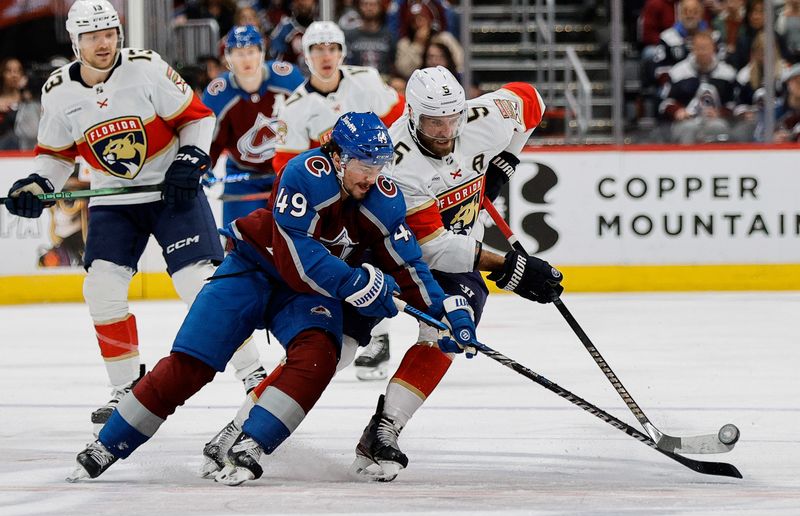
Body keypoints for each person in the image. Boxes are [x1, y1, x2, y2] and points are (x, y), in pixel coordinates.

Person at [66, 111, 479, 486]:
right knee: (190, 364)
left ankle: (251, 444)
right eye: (364, 165)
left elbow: (407, 265)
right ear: (337, 157)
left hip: (303, 296)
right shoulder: (303, 173)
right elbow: (298, 258)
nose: (372, 176)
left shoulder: (381, 198)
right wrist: (355, 281)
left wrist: (444, 311)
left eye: (378, 166)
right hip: (253, 271)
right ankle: (107, 445)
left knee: (319, 357)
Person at [2, 0, 266, 433]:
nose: (103, 43)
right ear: (75, 42)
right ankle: (125, 388)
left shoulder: (145, 68)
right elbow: (55, 157)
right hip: (113, 198)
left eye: (109, 33)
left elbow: (197, 118)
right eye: (92, 36)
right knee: (101, 287)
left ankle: (254, 374)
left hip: (170, 191)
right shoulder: (57, 90)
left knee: (198, 283)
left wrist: (191, 159)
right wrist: (36, 185)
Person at [348, 66, 564, 482]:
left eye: (453, 117)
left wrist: (506, 161)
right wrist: (512, 267)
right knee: (335, 347)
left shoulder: (483, 117)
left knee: (450, 327)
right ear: (412, 114)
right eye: (433, 121)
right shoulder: (398, 162)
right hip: (383, 254)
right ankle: (254, 427)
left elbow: (529, 100)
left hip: (447, 252)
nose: (446, 130)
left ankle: (384, 430)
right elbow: (433, 248)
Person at [273, 20, 406, 380]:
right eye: (317, 49)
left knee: (379, 254)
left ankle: (379, 336)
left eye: (332, 48)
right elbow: (288, 166)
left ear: (343, 52)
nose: (325, 55)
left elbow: (401, 118)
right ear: (306, 56)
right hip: (330, 200)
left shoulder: (365, 80)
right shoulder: (294, 107)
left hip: (374, 186)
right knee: (339, 265)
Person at [202, 25, 304, 225]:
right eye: (239, 53)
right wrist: (202, 166)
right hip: (243, 176)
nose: (246, 59)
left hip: (288, 173)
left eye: (251, 52)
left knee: (295, 238)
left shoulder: (287, 78)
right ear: (228, 58)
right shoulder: (218, 93)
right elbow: (208, 139)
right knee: (238, 243)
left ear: (261, 53)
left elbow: (310, 119)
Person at [659, 30, 737, 144]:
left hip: (716, 120)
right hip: (686, 122)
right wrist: (678, 111)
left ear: (713, 48)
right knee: (689, 128)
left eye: (705, 47)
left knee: (718, 127)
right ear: (693, 49)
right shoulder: (677, 72)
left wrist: (720, 112)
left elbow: (733, 104)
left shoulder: (727, 73)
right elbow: (665, 103)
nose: (702, 52)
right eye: (699, 48)